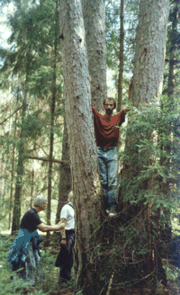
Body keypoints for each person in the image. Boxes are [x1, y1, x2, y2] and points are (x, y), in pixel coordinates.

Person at [7, 195, 65, 285]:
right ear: (40, 204)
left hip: (28, 239)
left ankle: (28, 281)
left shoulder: (33, 213)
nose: (46, 205)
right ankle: (24, 283)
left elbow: (42, 226)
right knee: (25, 261)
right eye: (45, 203)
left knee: (31, 260)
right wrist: (58, 227)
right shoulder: (32, 213)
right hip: (24, 241)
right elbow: (43, 228)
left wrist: (57, 226)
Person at [92, 98, 128, 217]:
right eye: (106, 104)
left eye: (111, 105)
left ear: (114, 107)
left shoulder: (117, 117)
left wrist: (129, 88)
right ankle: (106, 206)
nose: (108, 107)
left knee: (112, 180)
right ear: (103, 106)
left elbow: (128, 107)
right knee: (103, 181)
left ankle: (113, 207)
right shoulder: (98, 117)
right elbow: (87, 104)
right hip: (100, 151)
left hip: (112, 151)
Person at [55, 191, 75, 282]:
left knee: (70, 256)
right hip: (66, 234)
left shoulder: (76, 208)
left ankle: (67, 277)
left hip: (73, 234)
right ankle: (63, 279)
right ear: (72, 198)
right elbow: (62, 223)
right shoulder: (66, 208)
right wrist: (63, 238)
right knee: (65, 256)